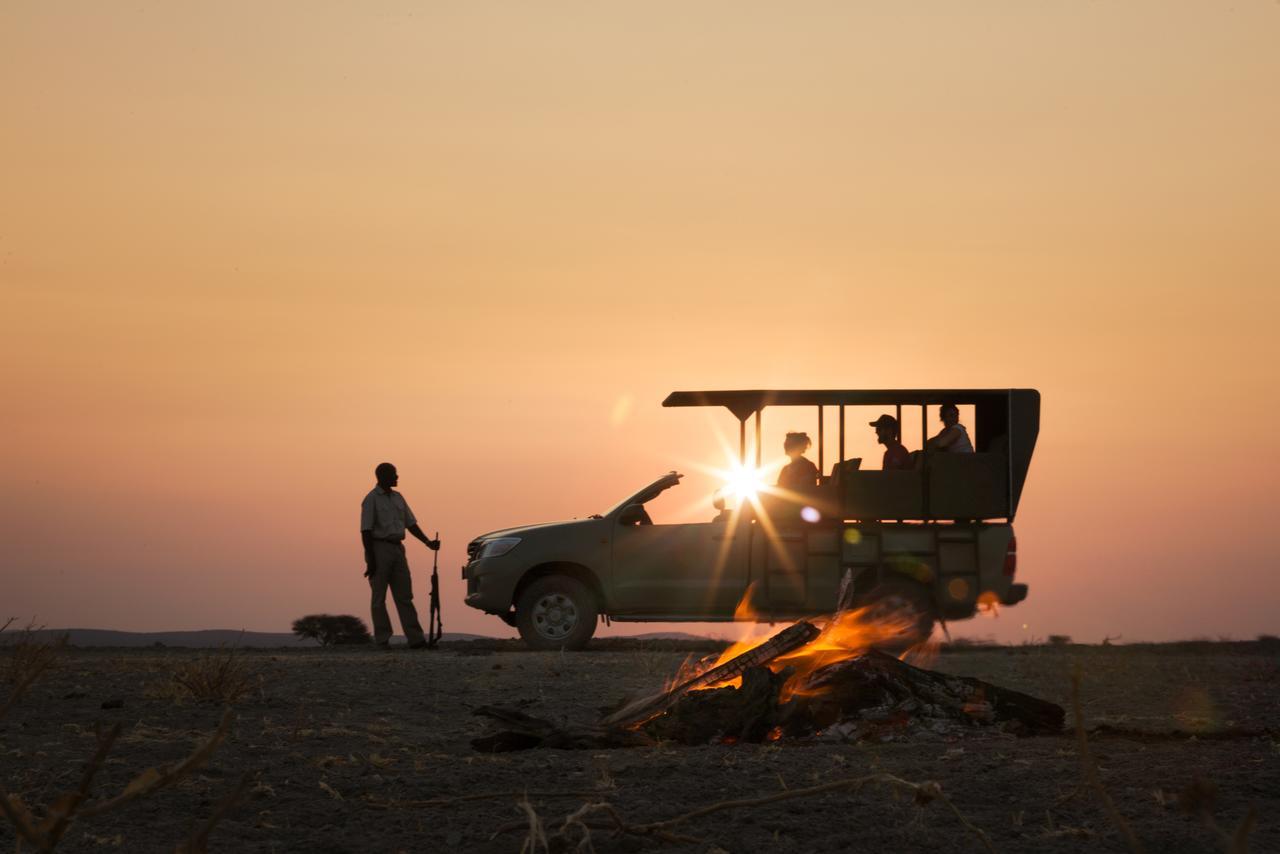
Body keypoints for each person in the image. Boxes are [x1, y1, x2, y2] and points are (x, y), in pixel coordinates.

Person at [360, 462, 440, 649]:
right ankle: (382, 639)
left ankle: (416, 639)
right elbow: (365, 531)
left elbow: (410, 524)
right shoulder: (371, 499)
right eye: (394, 474)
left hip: (398, 549)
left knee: (404, 595)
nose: (397, 477)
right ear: (382, 476)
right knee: (379, 598)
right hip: (379, 548)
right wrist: (371, 560)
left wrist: (428, 542)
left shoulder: (398, 498)